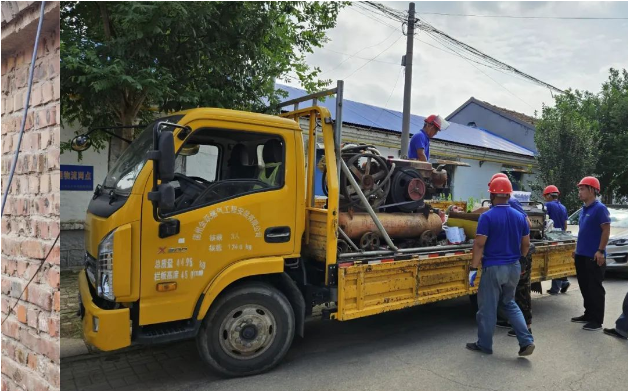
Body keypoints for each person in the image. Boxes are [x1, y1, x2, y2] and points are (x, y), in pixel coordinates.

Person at [466, 176, 535, 356]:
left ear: (492, 194)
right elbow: (526, 245)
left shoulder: (487, 217)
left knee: (487, 308)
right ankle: (526, 341)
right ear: (508, 194)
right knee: (510, 303)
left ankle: (485, 344)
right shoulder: (520, 217)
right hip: (513, 267)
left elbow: (479, 244)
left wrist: (473, 268)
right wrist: (520, 261)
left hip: (494, 268)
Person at [488, 173, 533, 337]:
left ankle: (526, 325)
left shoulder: (511, 202)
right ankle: (511, 320)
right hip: (511, 252)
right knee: (509, 291)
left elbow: (527, 223)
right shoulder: (496, 204)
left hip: (521, 252)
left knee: (521, 289)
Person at [572, 176, 610, 331]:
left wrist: (600, 250)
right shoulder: (583, 209)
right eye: (579, 189)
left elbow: (606, 230)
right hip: (581, 255)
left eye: (582, 189)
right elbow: (584, 232)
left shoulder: (599, 208)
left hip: (594, 255)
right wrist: (577, 250)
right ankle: (588, 314)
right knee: (584, 286)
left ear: (592, 190)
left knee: (595, 288)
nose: (579, 192)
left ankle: (596, 320)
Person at [543, 185, 571, 295]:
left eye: (545, 196)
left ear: (549, 195)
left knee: (553, 262)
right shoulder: (563, 207)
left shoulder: (547, 205)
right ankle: (564, 282)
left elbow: (544, 222)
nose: (545, 198)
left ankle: (555, 288)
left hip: (551, 236)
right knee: (560, 261)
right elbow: (565, 224)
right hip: (561, 236)